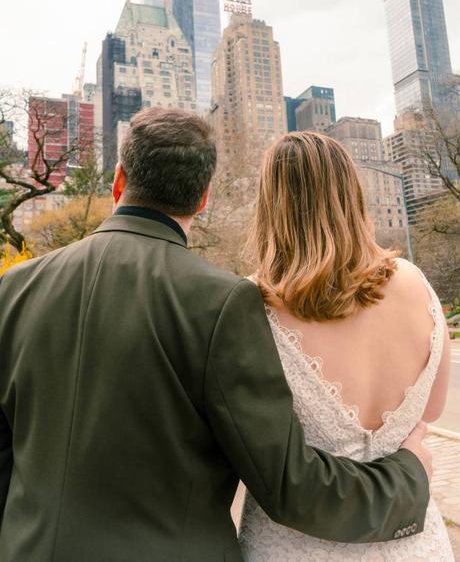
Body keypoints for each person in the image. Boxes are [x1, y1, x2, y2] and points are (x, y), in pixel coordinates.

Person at [0, 109, 431, 562]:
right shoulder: (223, 302)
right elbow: (289, 486)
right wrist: (408, 476)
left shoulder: (13, 289)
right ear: (203, 198)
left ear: (119, 180)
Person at [239, 131, 453, 562]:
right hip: (411, 538)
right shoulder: (415, 282)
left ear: (271, 207)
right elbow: (430, 411)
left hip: (293, 543)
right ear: (352, 195)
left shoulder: (249, 304)